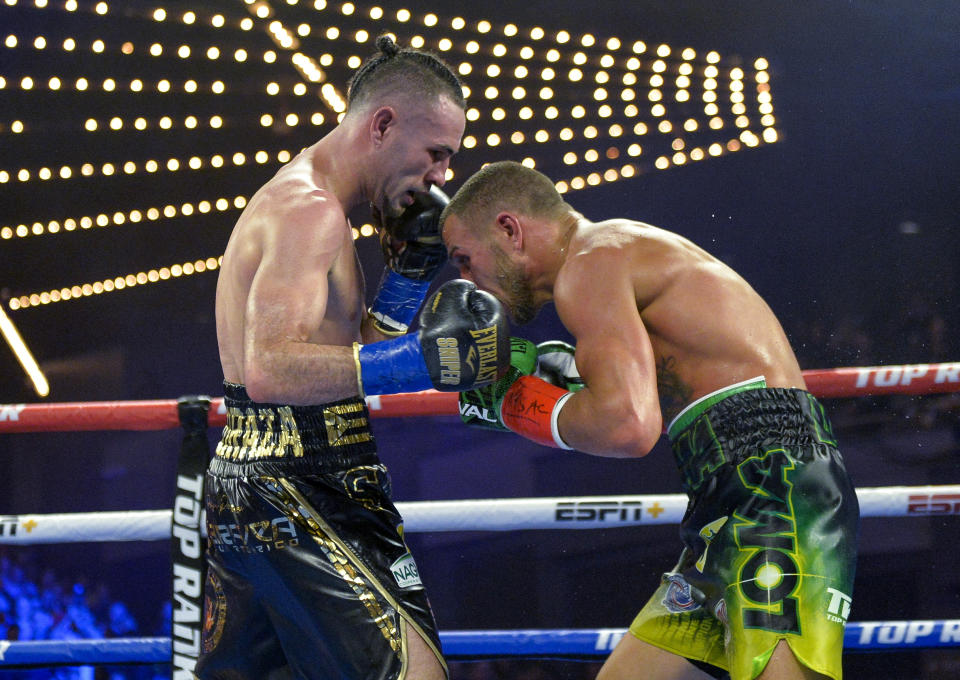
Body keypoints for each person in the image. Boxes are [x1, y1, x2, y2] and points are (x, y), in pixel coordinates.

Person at [440, 160, 859, 680]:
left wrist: (512, 402)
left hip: (773, 485)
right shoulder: (613, 257)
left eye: (464, 259)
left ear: (509, 229)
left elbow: (628, 426)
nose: (466, 280)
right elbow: (650, 401)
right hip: (731, 491)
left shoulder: (590, 262)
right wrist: (550, 383)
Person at [198, 36, 509, 680]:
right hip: (297, 483)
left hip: (275, 478)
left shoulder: (316, 206)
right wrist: (418, 362)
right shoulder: (308, 212)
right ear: (383, 124)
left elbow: (334, 361)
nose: (441, 177)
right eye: (436, 153)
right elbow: (270, 369)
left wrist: (405, 284)